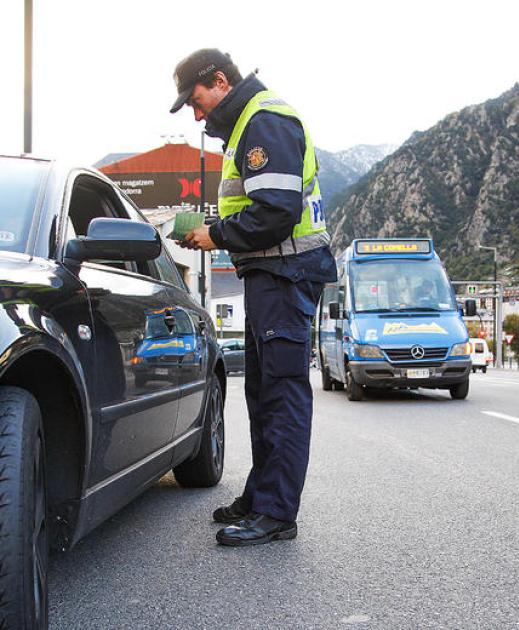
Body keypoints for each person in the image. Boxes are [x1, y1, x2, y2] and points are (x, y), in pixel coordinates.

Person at [169, 48, 337, 546]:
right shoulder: (248, 126)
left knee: (281, 395)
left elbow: (277, 211)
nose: (199, 115)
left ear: (220, 81)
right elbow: (263, 206)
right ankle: (262, 496)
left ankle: (278, 513)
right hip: (271, 272)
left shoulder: (264, 121)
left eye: (198, 102)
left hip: (286, 272)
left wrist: (214, 236)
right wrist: (216, 230)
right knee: (262, 394)